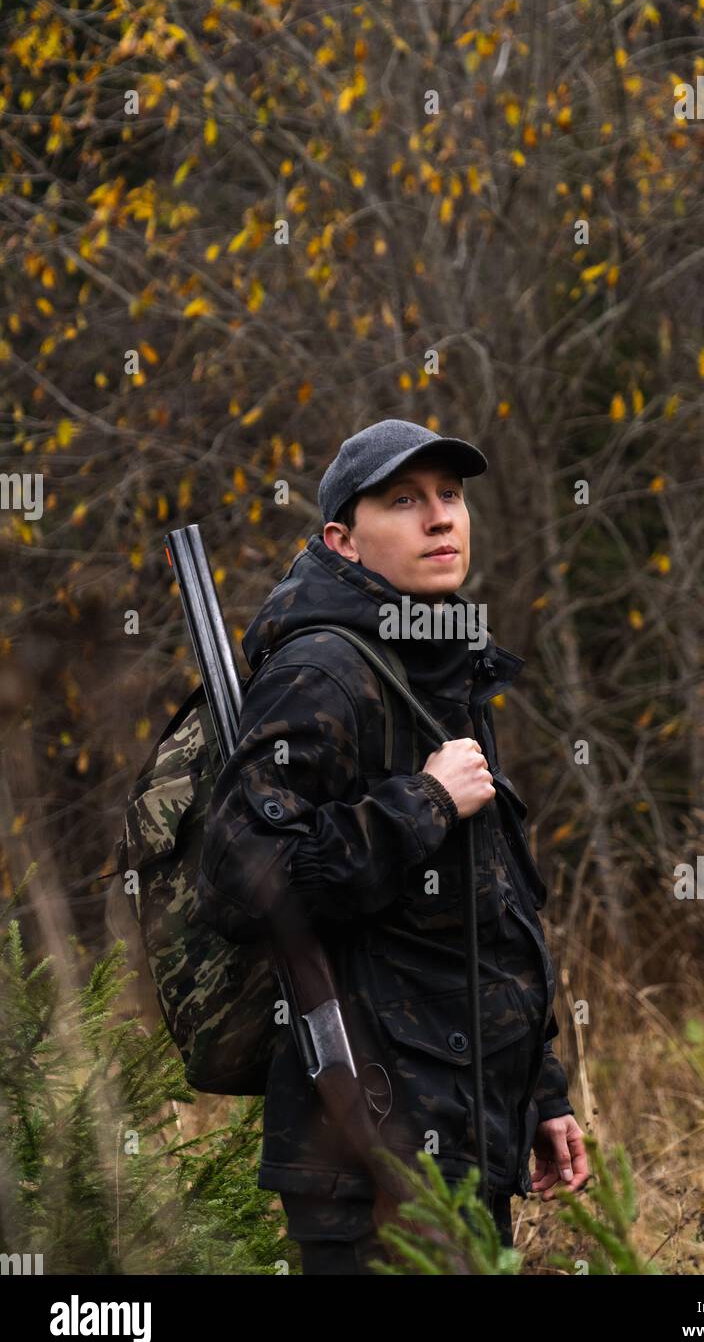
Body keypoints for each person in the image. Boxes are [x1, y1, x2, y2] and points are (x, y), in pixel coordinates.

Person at [196, 418, 589, 1274]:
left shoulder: (437, 667)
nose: (440, 518)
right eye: (403, 502)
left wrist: (541, 1093)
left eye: (449, 497)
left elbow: (486, 915)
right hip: (366, 1145)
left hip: (464, 1133)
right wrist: (422, 802)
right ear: (341, 538)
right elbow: (237, 878)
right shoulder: (326, 670)